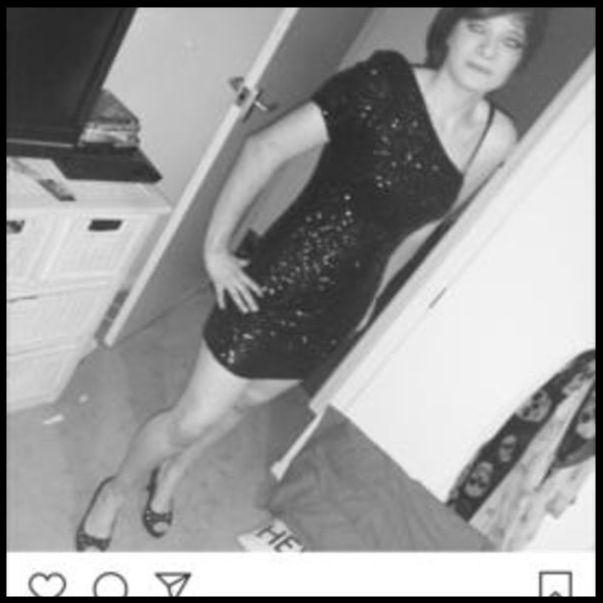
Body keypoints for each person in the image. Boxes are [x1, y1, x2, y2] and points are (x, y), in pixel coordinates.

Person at [76, 7, 549, 551]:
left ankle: (176, 471)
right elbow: (265, 148)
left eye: (509, 41)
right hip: (276, 282)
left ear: (520, 59)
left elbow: (421, 228)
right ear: (450, 29)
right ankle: (115, 491)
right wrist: (216, 249)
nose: (488, 50)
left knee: (243, 405)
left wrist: (373, 299)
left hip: (342, 305)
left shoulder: (496, 138)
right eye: (478, 28)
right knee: (192, 418)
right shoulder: (380, 84)